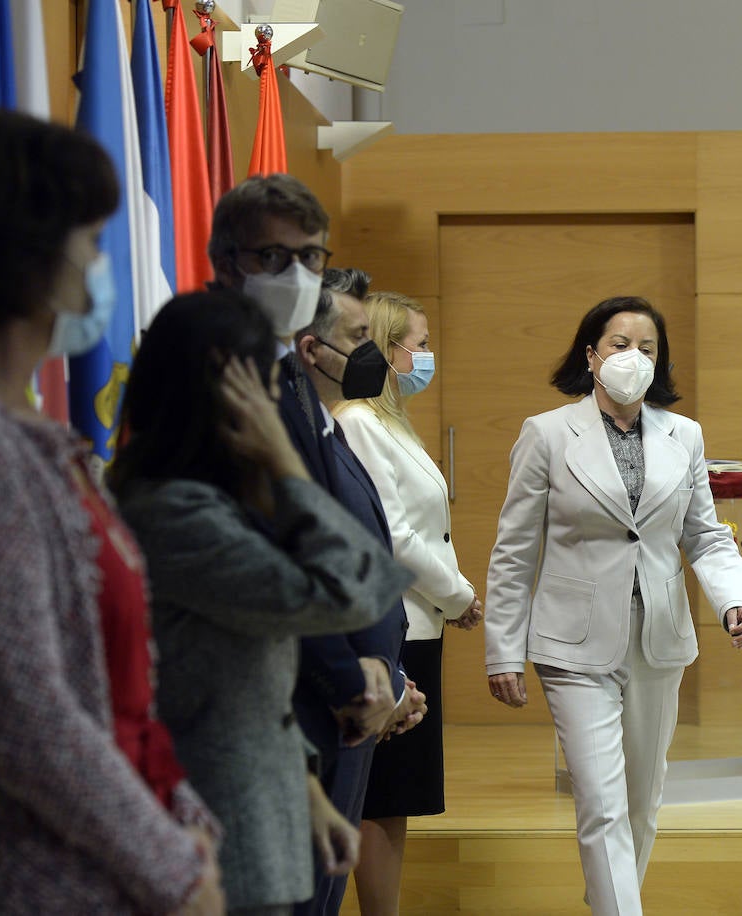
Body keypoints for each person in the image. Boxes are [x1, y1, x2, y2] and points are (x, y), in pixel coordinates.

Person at [0, 107, 223, 914]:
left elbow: (116, 682)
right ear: (24, 255)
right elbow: (23, 717)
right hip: (8, 882)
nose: (104, 267)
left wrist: (183, 821)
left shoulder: (24, 431)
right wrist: (173, 868)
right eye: (94, 243)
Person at [110, 290, 415, 916]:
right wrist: (283, 460)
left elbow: (244, 673)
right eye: (264, 380)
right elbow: (355, 586)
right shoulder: (177, 514)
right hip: (215, 822)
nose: (279, 401)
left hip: (260, 802)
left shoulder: (211, 502)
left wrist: (304, 791)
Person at [484, 296, 742, 915]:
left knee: (640, 803)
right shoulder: (548, 433)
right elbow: (515, 550)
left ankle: (608, 903)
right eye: (619, 344)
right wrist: (503, 649)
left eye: (648, 347)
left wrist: (732, 597)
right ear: (590, 353)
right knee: (601, 804)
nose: (634, 357)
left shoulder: (683, 435)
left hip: (658, 638)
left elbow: (704, 533)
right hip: (573, 644)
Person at [334, 290, 484, 915]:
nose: (427, 356)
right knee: (383, 796)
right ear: (389, 349)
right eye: (418, 345)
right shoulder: (360, 423)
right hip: (396, 626)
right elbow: (393, 535)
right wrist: (458, 596)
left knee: (395, 797)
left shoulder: (391, 423)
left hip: (420, 624)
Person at [290, 269, 427, 914]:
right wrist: (377, 684)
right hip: (326, 706)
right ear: (309, 349)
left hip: (358, 706)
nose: (373, 353)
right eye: (357, 337)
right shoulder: (293, 437)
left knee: (325, 891)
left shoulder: (327, 428)